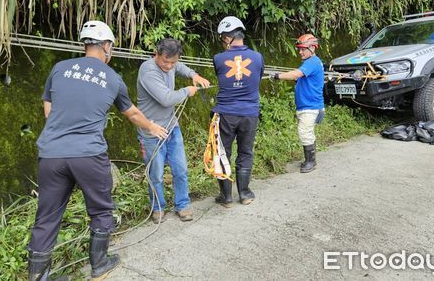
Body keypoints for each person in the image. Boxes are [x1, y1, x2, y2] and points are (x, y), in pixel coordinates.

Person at [27, 21, 167, 281]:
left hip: (51, 154)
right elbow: (132, 113)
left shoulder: (59, 69)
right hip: (88, 155)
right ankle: (100, 264)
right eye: (110, 46)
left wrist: (59, 129)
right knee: (101, 209)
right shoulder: (112, 78)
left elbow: (48, 104)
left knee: (46, 215)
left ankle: (38, 277)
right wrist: (151, 127)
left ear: (84, 45)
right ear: (105, 46)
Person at [137, 38, 210, 223]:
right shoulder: (148, 71)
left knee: (181, 169)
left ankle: (183, 205)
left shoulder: (172, 64)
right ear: (156, 54)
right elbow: (166, 98)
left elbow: (180, 67)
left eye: (173, 61)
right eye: (165, 61)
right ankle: (157, 207)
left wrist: (193, 75)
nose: (169, 66)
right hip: (152, 131)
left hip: (171, 127)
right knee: (156, 174)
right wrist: (186, 90)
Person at [212, 16, 264, 207]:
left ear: (227, 37)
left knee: (223, 153)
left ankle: (226, 197)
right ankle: (244, 193)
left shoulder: (218, 59)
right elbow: (256, 78)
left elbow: (221, 77)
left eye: (222, 38)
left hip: (226, 114)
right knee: (245, 152)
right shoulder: (257, 57)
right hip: (250, 113)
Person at [271, 34, 325, 173]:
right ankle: (310, 159)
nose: (300, 52)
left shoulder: (312, 62)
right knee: (307, 131)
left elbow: (295, 74)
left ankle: (310, 162)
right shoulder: (310, 62)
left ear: (312, 48)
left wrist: (278, 76)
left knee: (304, 131)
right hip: (307, 105)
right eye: (299, 49)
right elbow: (300, 78)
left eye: (303, 49)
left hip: (311, 106)